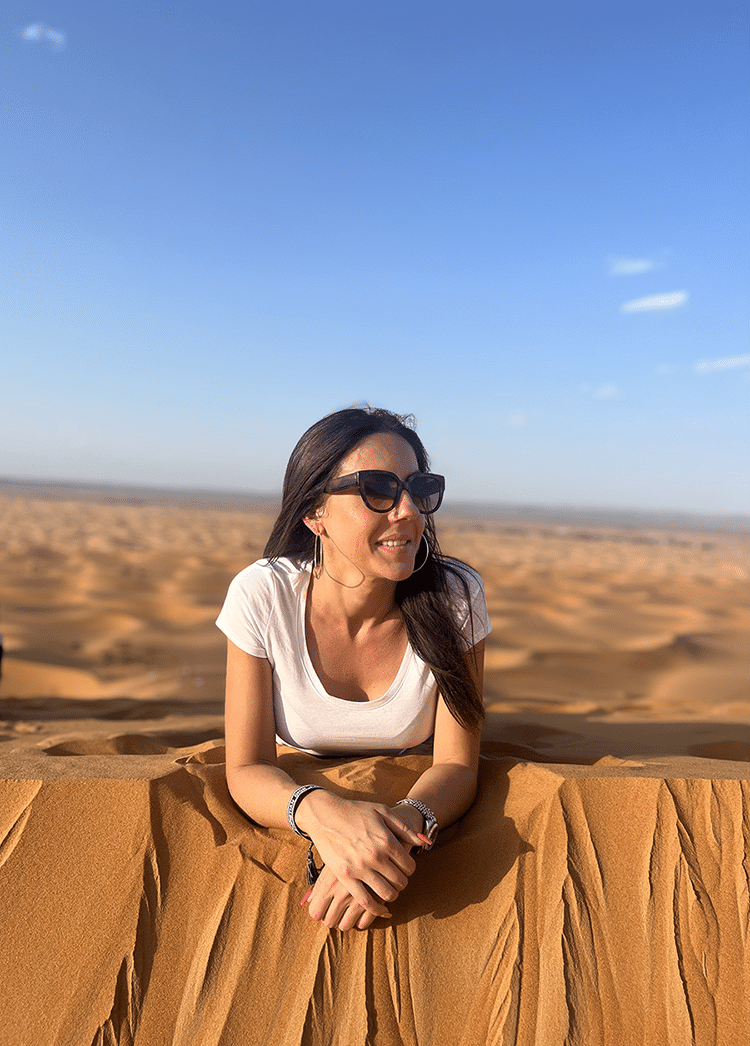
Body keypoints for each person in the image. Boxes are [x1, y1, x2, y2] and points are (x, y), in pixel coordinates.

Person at [216, 407, 491, 932]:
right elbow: (246, 768)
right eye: (378, 490)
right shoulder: (263, 594)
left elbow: (457, 766)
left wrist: (387, 841)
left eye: (419, 488)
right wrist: (326, 818)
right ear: (314, 512)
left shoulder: (455, 596)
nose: (408, 511)